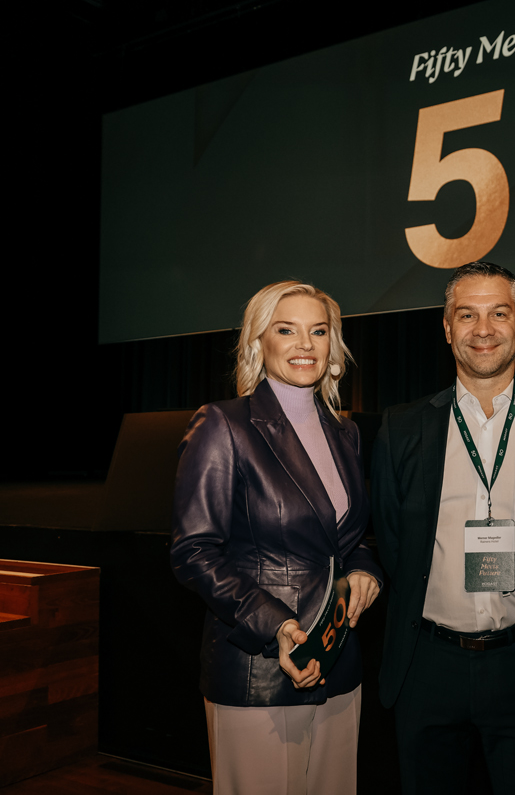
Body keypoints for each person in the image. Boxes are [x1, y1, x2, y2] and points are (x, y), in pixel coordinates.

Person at [371, 261, 515, 795]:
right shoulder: (402, 426)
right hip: (426, 667)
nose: (483, 330)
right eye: (467, 315)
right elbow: (391, 540)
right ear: (446, 327)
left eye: (498, 313)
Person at [170, 280, 383, 794]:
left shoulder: (347, 433)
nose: (305, 344)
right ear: (257, 342)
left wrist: (363, 569)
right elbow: (193, 550)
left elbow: (347, 537)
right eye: (286, 330)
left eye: (319, 331)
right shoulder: (223, 424)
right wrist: (276, 624)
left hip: (337, 662)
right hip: (259, 669)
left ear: (334, 347)